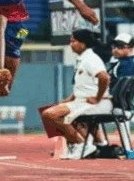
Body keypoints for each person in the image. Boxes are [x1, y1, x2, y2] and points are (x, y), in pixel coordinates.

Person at [41, 29, 110, 160]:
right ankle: (78, 144)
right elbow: (83, 87)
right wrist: (67, 99)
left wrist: (97, 98)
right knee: (48, 113)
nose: (70, 44)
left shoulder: (90, 59)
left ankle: (80, 144)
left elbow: (104, 77)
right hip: (81, 102)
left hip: (93, 104)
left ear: (83, 44)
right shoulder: (82, 60)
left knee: (49, 114)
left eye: (73, 41)